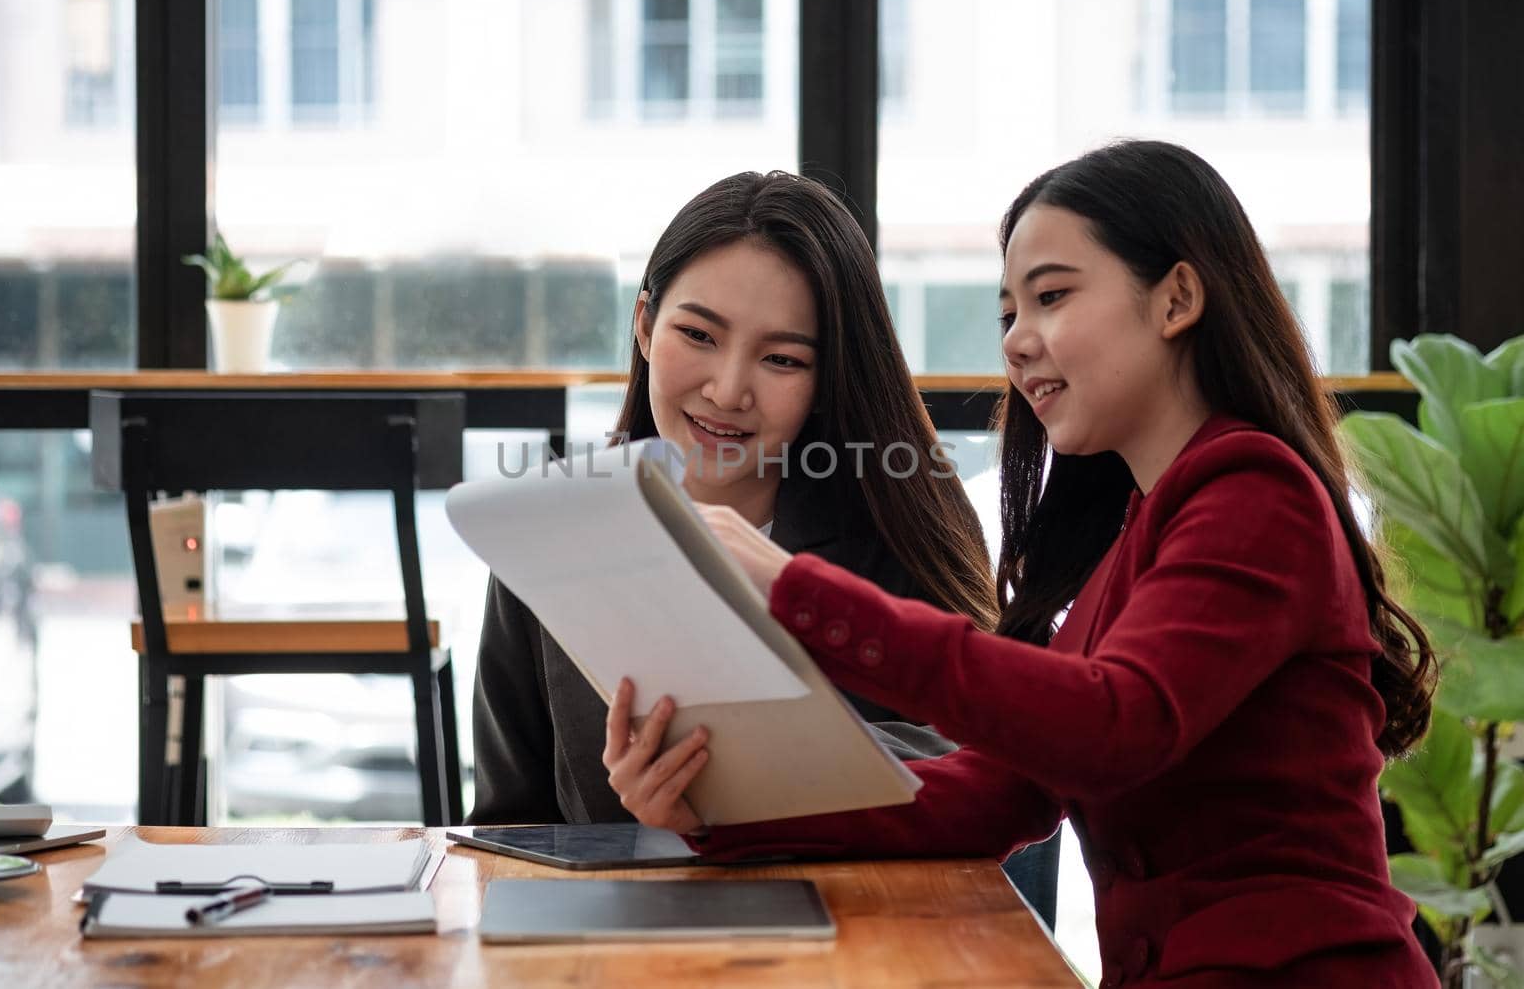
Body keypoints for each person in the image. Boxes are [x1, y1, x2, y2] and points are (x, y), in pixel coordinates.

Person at [603, 142, 1439, 988]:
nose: (1018, 342)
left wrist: (792, 591)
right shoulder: (1135, 542)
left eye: (1051, 297)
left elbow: (1114, 725)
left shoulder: (1256, 490)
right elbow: (988, 793)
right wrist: (716, 815)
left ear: (1177, 298)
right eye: (1008, 314)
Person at [465, 169, 1062, 915]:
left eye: (782, 358)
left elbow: (991, 769)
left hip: (861, 934)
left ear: (827, 374)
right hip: (618, 942)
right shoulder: (550, 533)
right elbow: (508, 827)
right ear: (645, 324)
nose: (727, 389)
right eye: (698, 335)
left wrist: (742, 795)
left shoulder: (902, 528)